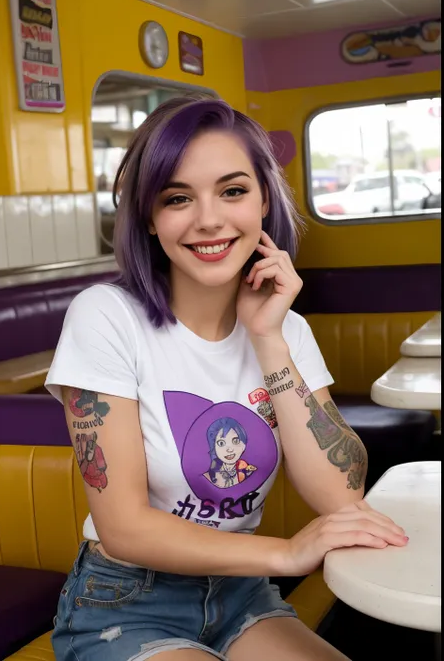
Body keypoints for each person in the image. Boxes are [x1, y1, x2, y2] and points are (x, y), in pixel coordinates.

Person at [46, 96, 408, 661]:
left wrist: (267, 337)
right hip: (126, 602)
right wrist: (287, 553)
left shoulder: (286, 330)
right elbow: (124, 529)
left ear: (264, 199)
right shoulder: (105, 316)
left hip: (242, 597)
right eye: (177, 198)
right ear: (148, 216)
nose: (209, 219)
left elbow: (342, 493)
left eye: (233, 191)